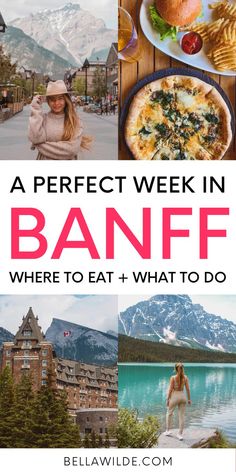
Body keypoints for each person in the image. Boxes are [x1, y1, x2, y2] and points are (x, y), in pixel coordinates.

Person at [28, 80, 92, 160]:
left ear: (66, 100)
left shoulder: (75, 121)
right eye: (52, 99)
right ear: (48, 101)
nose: (56, 103)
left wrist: (38, 145)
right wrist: (36, 109)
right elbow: (35, 138)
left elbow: (71, 150)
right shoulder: (42, 119)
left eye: (60, 98)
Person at [164, 363, 191, 441]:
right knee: (181, 416)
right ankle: (180, 434)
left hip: (175, 396)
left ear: (175, 369)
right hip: (182, 396)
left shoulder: (173, 377)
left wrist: (168, 399)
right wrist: (189, 399)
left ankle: (168, 430)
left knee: (169, 413)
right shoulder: (185, 377)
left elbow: (170, 389)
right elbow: (188, 389)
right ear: (183, 369)